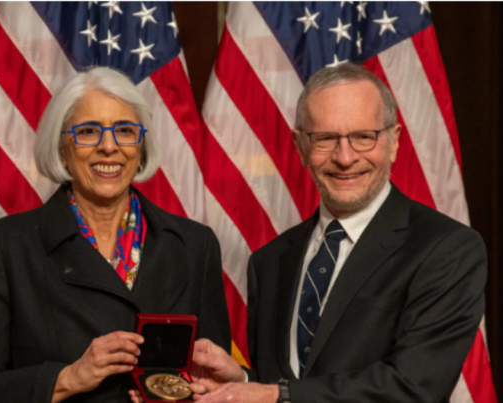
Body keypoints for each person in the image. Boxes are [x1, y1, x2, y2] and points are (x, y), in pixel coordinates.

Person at [184, 63, 487, 403]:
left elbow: (414, 387)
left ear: (393, 142)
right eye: (325, 138)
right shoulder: (269, 263)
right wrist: (240, 381)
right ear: (300, 146)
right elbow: (292, 384)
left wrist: (272, 395)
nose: (345, 158)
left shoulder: (446, 249)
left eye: (362, 137)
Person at [0, 67, 231, 403]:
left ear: (140, 147)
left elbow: (215, 384)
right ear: (62, 148)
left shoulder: (195, 246)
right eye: (89, 131)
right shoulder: (5, 248)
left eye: (125, 131)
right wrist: (66, 379)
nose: (109, 147)